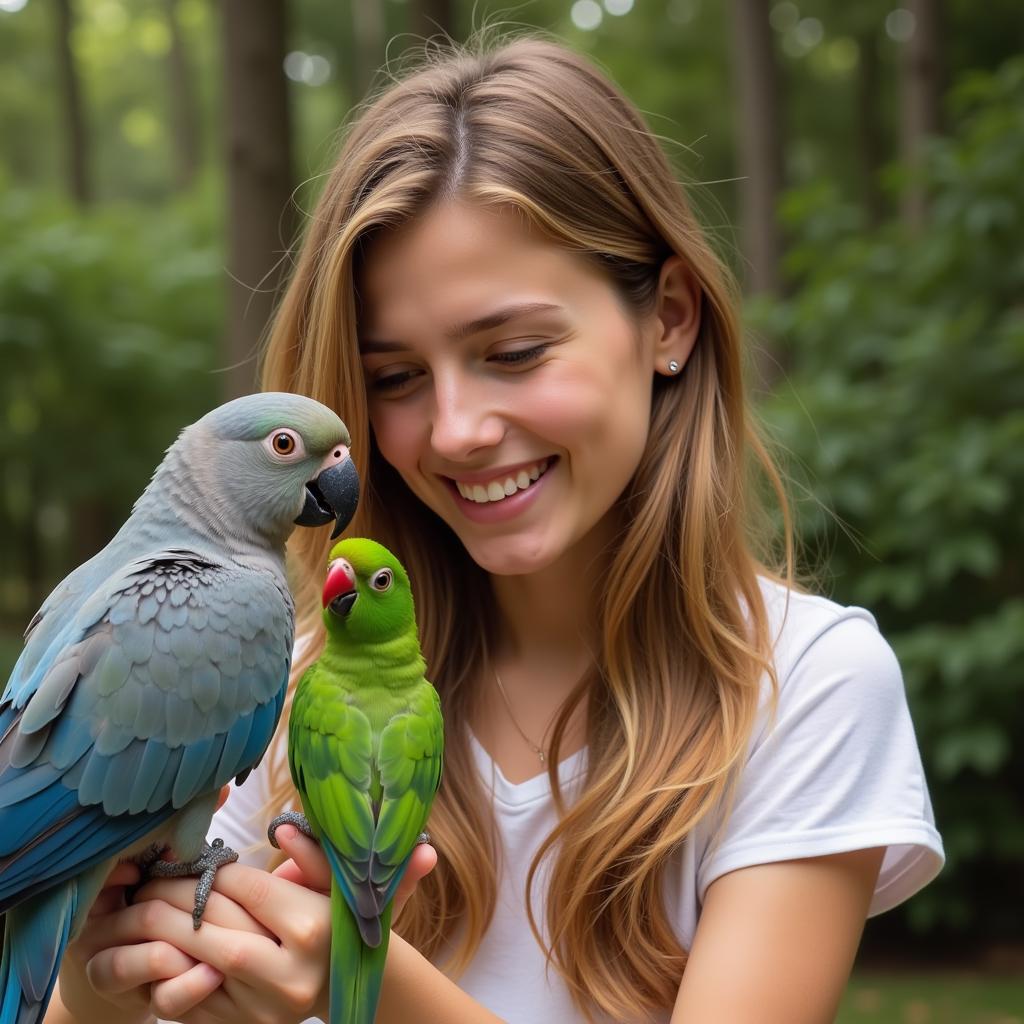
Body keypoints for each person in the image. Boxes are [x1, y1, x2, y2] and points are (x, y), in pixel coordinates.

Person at [46, 34, 944, 1024]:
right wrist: (106, 982)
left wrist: (369, 980)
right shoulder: (282, 681)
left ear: (671, 319)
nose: (457, 431)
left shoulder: (807, 687)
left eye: (513, 352)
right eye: (394, 378)